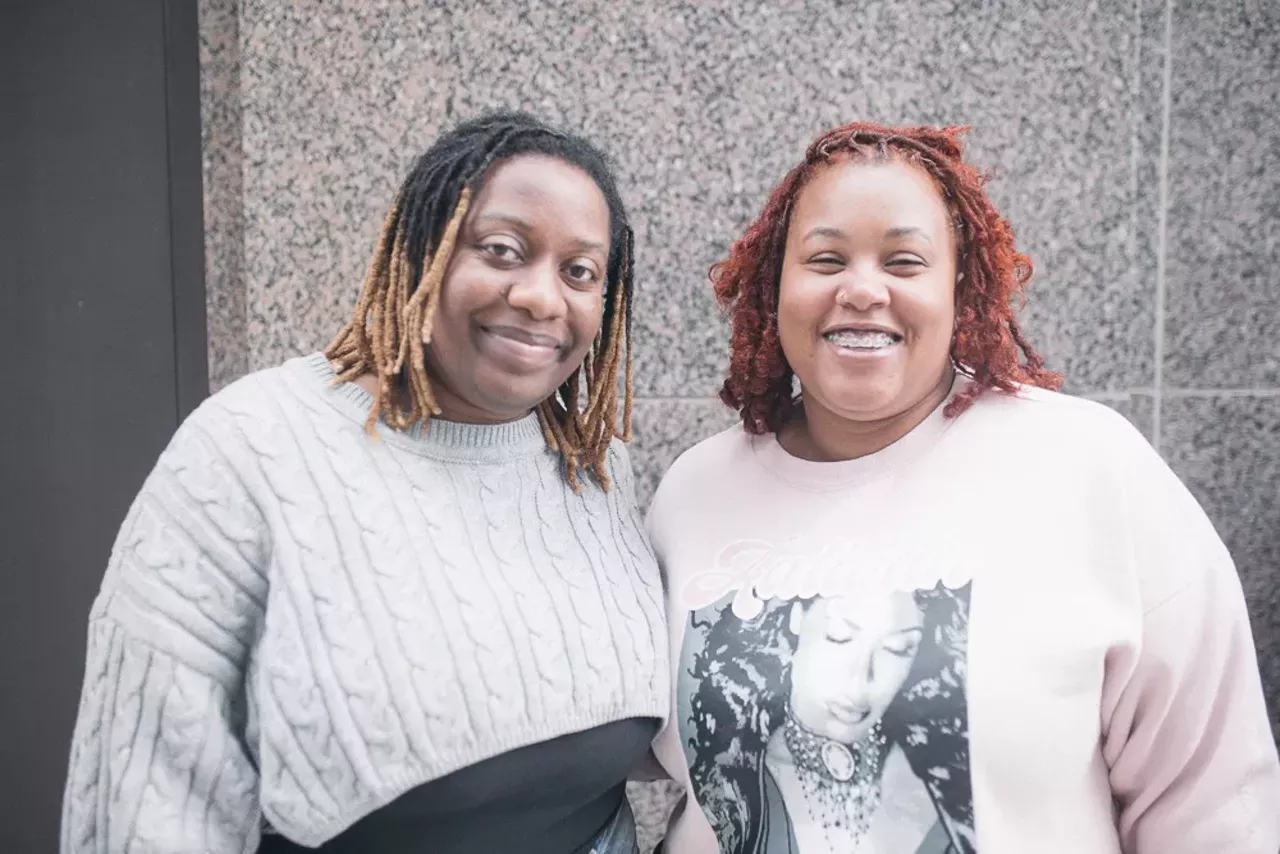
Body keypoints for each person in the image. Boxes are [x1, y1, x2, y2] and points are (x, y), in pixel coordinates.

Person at [646, 121, 1280, 853]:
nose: (861, 289)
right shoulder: (694, 492)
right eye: (825, 259)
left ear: (960, 288)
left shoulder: (1088, 466)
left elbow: (1213, 799)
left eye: (905, 261)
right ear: (774, 285)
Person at [60, 111, 670, 854]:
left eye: (580, 271)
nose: (543, 297)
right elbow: (151, 792)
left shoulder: (595, 463)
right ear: (421, 252)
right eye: (503, 250)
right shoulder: (253, 446)